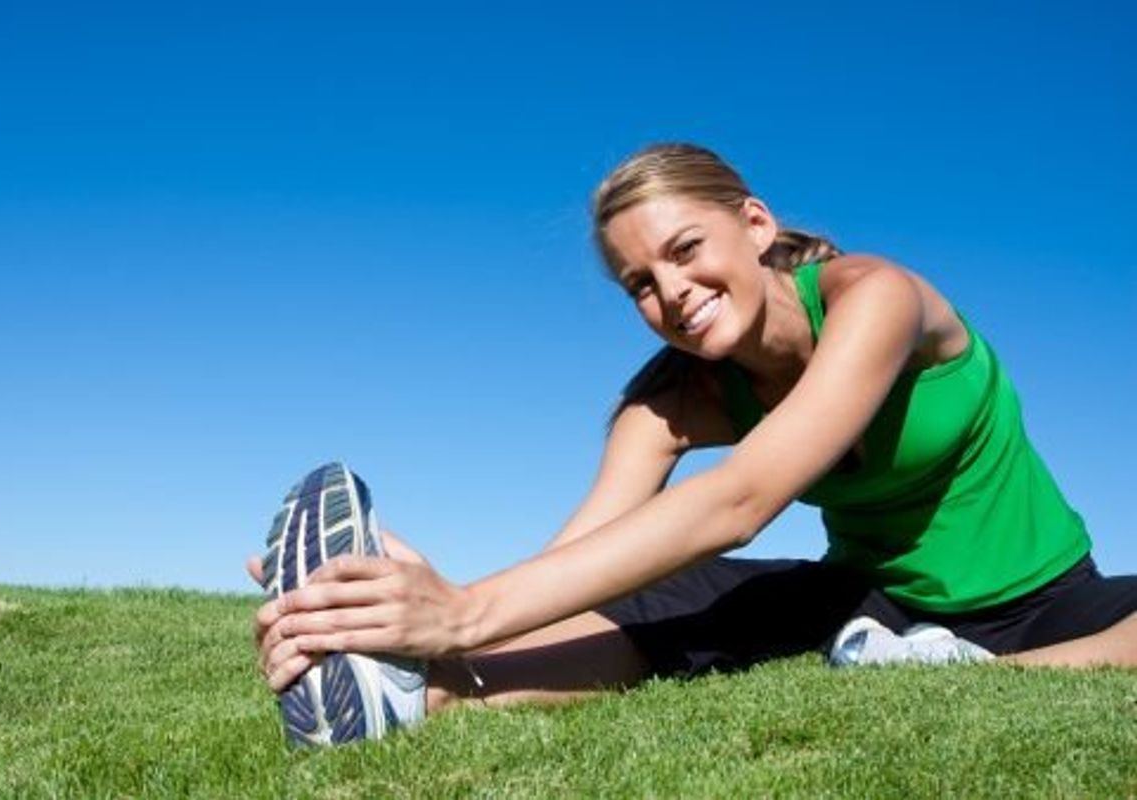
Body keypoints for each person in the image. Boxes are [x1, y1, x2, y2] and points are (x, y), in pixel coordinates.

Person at [247, 143, 1137, 740]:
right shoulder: (676, 399)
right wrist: (426, 630)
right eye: (640, 281)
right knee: (662, 595)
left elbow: (743, 501)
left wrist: (469, 606)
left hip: (1049, 600)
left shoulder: (878, 298)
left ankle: (963, 675)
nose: (671, 292)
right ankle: (424, 697)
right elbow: (592, 552)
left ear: (754, 225)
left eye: (685, 250)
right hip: (870, 609)